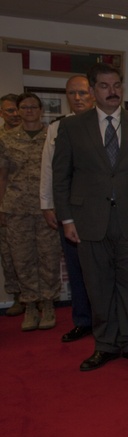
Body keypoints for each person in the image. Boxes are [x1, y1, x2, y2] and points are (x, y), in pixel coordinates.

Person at [52, 63, 128, 372]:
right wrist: (67, 220)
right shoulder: (71, 127)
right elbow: (61, 178)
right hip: (90, 220)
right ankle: (105, 344)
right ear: (93, 90)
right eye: (104, 86)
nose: (112, 91)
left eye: (116, 86)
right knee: (97, 285)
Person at [39, 76, 95, 342]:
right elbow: (49, 169)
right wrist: (47, 204)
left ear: (93, 94)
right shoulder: (57, 127)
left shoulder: (105, 124)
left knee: (104, 269)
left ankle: (107, 319)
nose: (78, 98)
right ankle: (83, 319)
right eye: (72, 93)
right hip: (71, 209)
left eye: (83, 92)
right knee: (75, 267)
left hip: (102, 210)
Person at [0, 93, 61, 330]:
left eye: (33, 107)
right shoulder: (6, 139)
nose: (28, 111)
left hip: (47, 208)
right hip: (16, 209)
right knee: (22, 259)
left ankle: (47, 304)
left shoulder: (53, 136)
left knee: (49, 257)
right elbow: (3, 176)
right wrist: (1, 207)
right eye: (23, 107)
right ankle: (30, 305)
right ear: (17, 110)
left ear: (40, 110)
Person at [0, 93, 23, 316]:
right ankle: (16, 296)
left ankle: (35, 299)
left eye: (17, 109)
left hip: (28, 206)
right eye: (9, 110)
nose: (15, 114)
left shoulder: (36, 135)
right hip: (5, 205)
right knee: (8, 255)